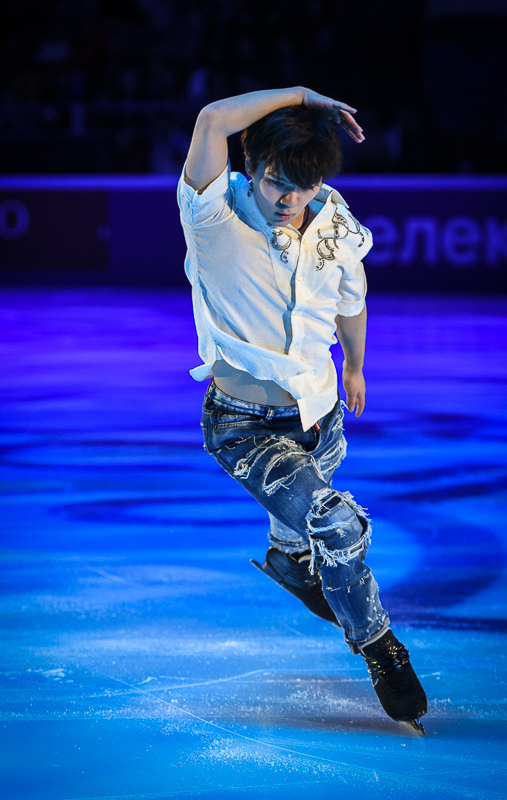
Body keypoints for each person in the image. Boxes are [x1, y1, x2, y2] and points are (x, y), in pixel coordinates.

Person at [177, 87, 427, 733]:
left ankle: (289, 558)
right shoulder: (213, 215)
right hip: (243, 426)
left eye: (305, 185)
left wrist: (356, 366)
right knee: (337, 525)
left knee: (308, 521)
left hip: (321, 414)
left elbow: (350, 298)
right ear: (251, 166)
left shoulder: (333, 218)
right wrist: (303, 97)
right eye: (276, 182)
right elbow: (212, 119)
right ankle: (380, 649)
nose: (289, 199)